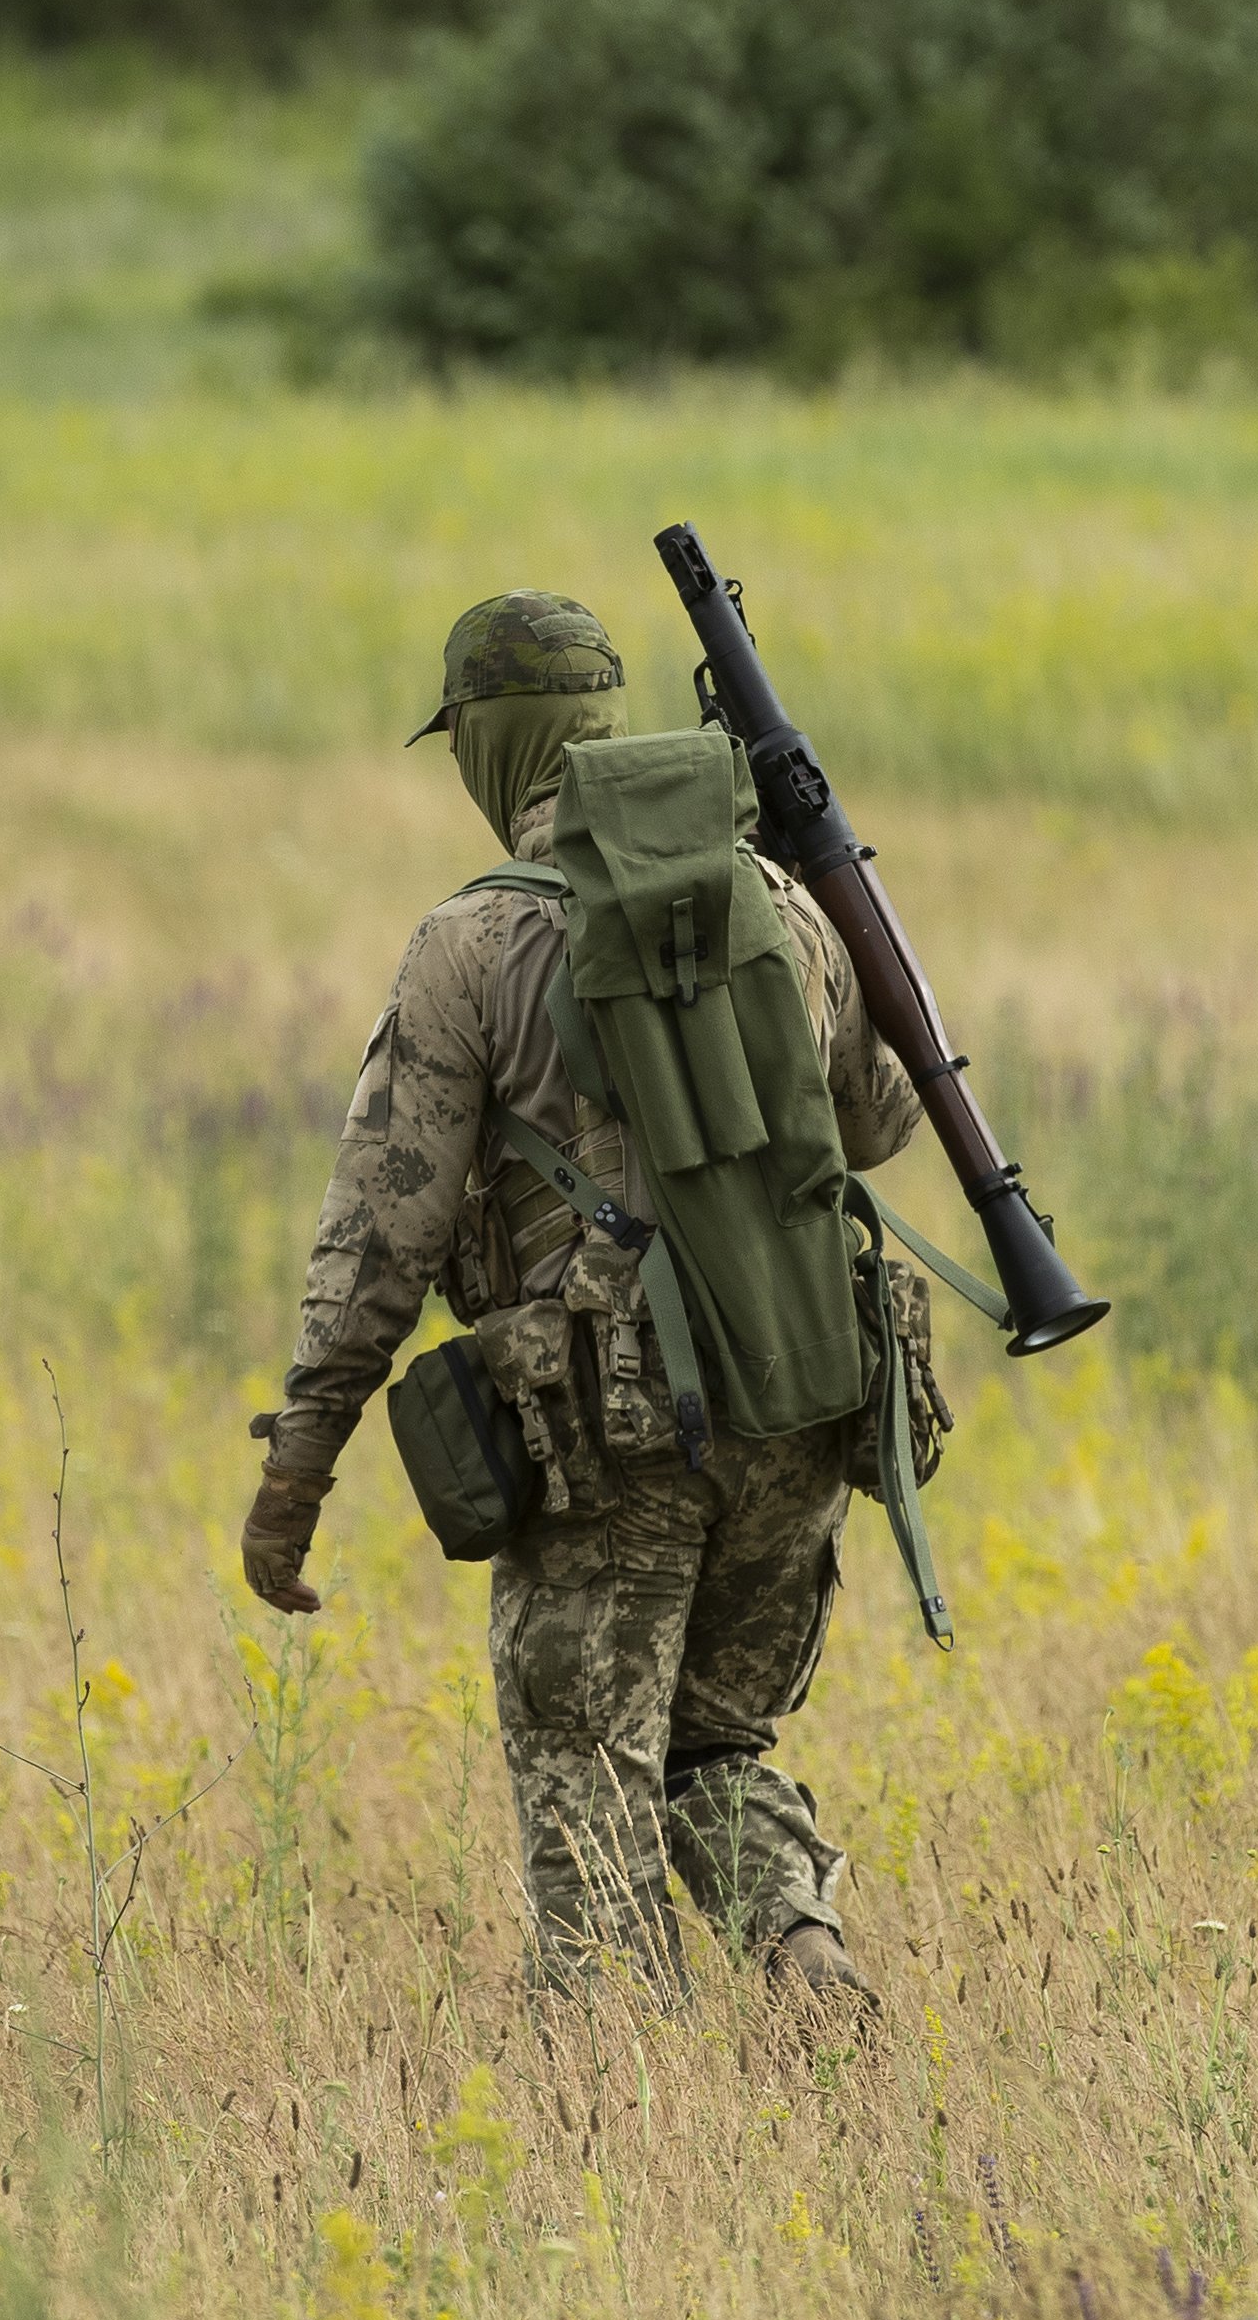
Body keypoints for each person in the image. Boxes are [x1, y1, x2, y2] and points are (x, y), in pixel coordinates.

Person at [236, 590, 921, 2000]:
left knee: (584, 1783)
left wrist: (296, 1467)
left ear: (490, 746)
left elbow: (382, 1235)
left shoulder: (471, 946)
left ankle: (617, 2124)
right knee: (713, 1749)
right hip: (802, 1398)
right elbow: (882, 1124)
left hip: (608, 1434)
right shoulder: (779, 899)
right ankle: (806, 1962)